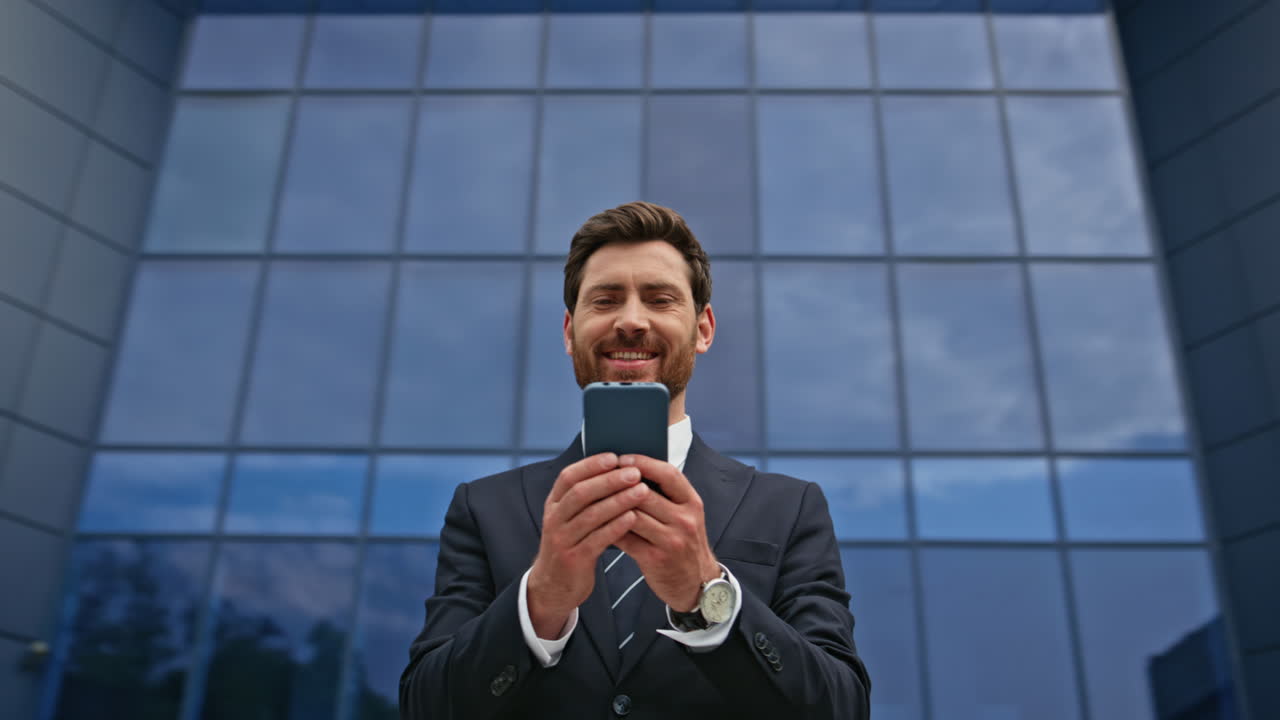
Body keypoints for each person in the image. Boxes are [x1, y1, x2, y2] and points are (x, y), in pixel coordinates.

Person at [399, 202, 870, 719]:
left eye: (660, 299)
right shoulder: (484, 508)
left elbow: (841, 708)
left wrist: (708, 594)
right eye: (604, 300)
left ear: (703, 329)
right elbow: (426, 706)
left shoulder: (789, 507)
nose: (629, 320)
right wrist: (541, 602)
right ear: (568, 330)